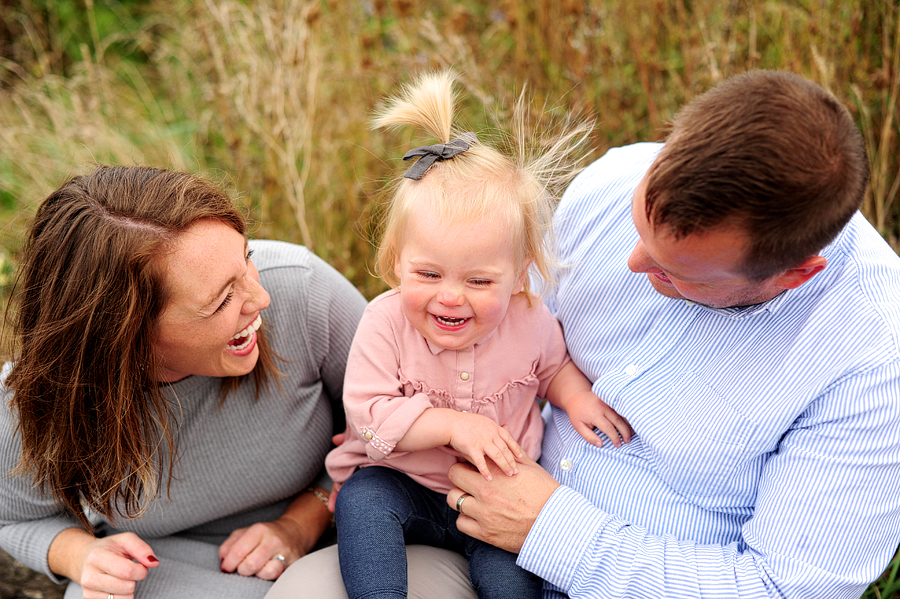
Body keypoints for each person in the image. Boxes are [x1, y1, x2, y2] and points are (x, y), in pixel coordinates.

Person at [441, 70, 900, 598]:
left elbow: (779, 588)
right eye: (638, 228)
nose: (634, 262)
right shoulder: (612, 181)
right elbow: (508, 336)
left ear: (794, 274)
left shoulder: (873, 366)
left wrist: (548, 529)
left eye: (675, 272)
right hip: (468, 530)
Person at [323, 71, 630, 599]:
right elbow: (368, 415)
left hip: (496, 497)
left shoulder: (530, 320)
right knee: (362, 501)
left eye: (479, 280)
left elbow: (553, 368)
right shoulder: (385, 321)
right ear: (397, 261)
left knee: (512, 576)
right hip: (404, 482)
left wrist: (575, 396)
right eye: (428, 274)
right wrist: (449, 425)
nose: (450, 296)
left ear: (521, 273)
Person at [0, 166, 368, 598]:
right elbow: (15, 518)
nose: (260, 298)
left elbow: (397, 422)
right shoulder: (37, 397)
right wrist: (81, 555)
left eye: (247, 257)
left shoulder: (303, 291)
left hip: (344, 543)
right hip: (167, 572)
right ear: (125, 336)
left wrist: (302, 522)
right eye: (223, 300)